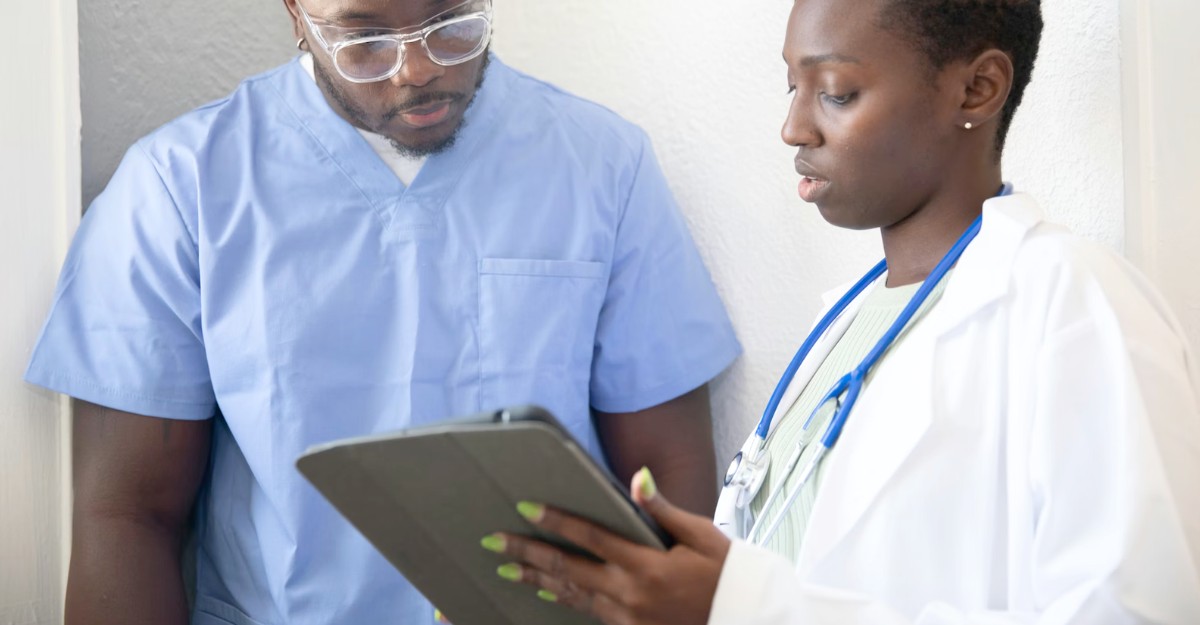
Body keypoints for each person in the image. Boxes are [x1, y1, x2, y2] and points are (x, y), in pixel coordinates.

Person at [24, 0, 742, 623]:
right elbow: (128, 514)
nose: (416, 68)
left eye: (450, 23)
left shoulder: (602, 166)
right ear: (296, 17)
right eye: (364, 38)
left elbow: (669, 475)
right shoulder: (180, 190)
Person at [484, 0, 1200, 623]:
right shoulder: (844, 327)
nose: (794, 128)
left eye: (836, 91)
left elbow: (1137, 611)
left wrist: (740, 608)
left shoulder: (1073, 299)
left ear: (977, 89)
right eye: (792, 85)